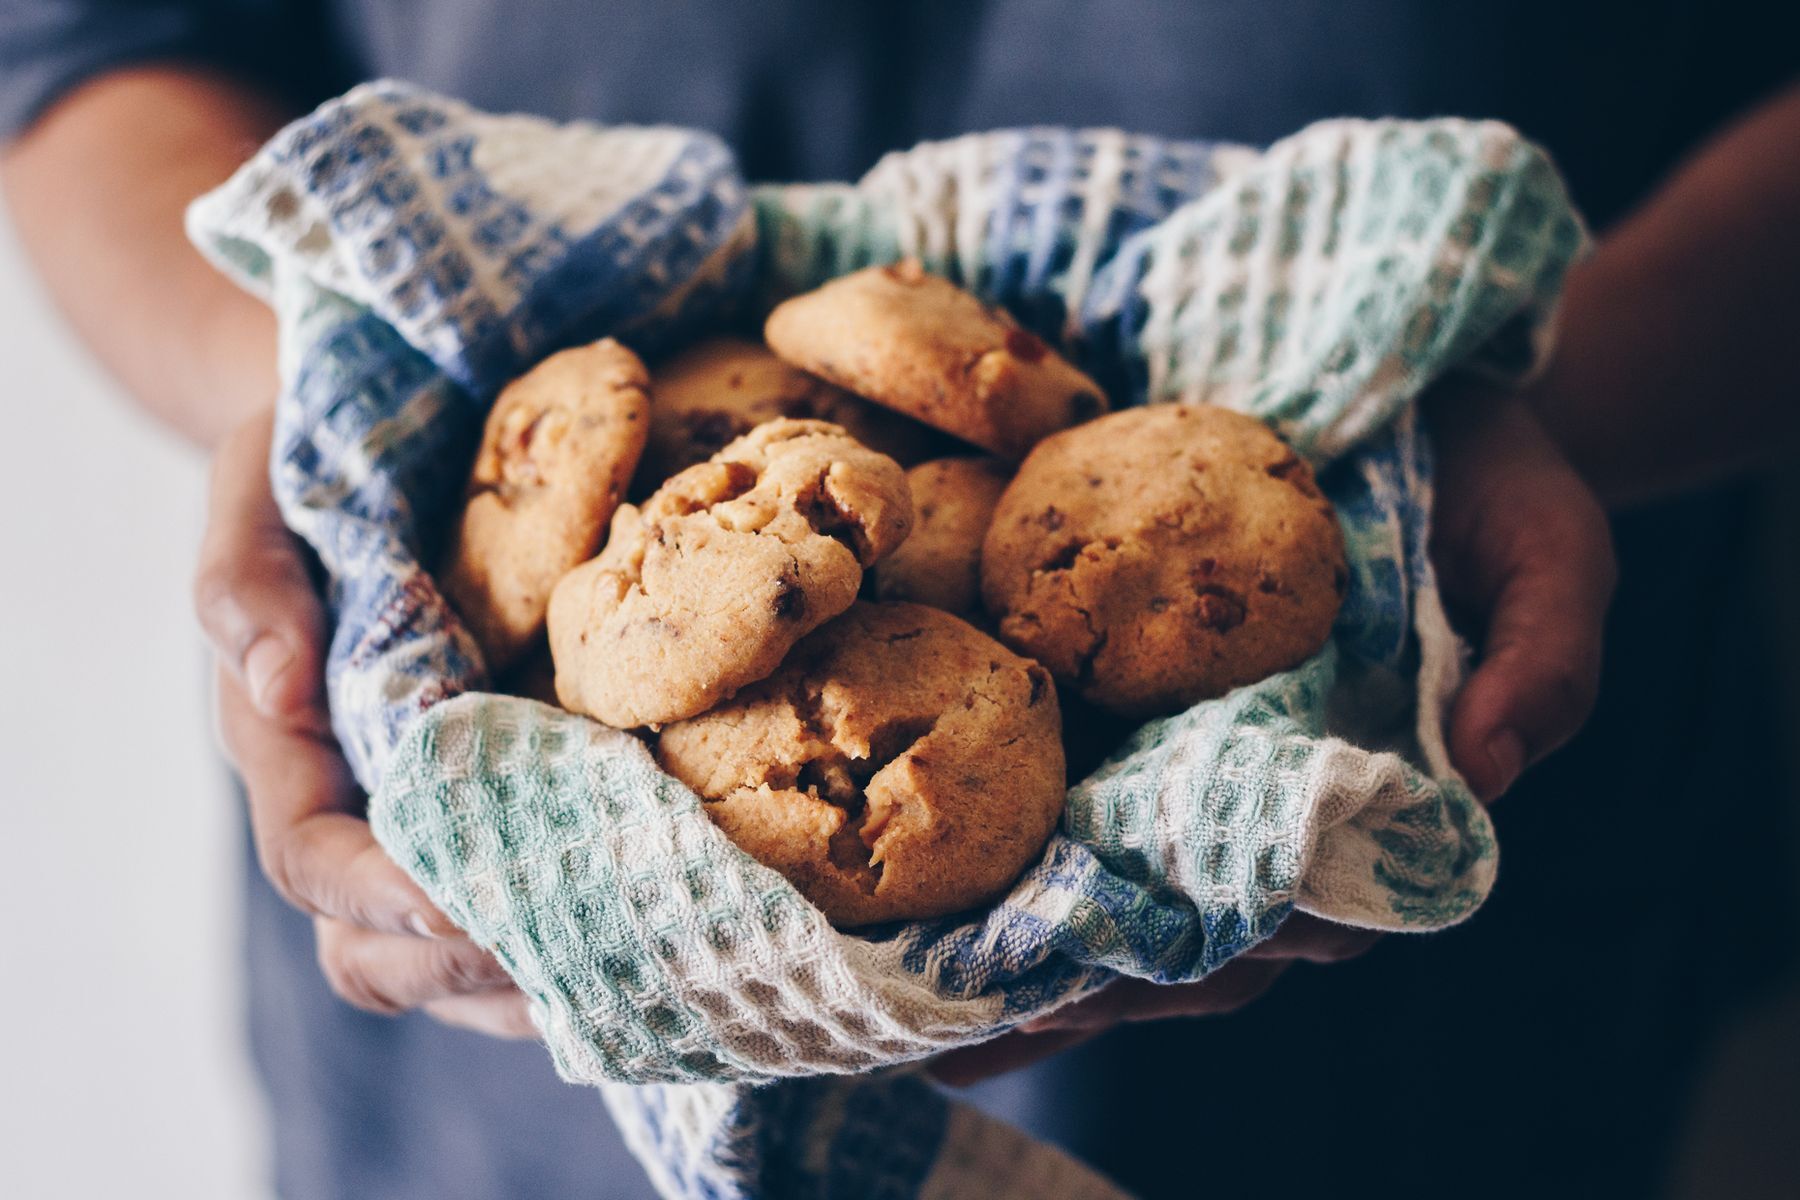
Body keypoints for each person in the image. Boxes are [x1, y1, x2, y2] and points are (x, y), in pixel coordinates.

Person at [2, 3, 1795, 1196]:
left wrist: (1536, 400)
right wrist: (296, 389)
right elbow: (94, 46)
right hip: (511, 1091)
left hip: (1404, 1020)